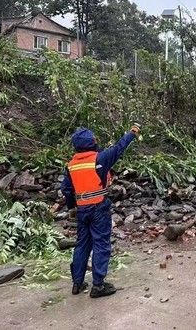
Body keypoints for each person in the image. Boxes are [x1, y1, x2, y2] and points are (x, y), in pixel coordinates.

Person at [61, 124, 140, 298]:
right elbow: (119, 148)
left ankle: (77, 283)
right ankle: (98, 285)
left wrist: (71, 207)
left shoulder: (71, 165)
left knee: (82, 244)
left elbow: (66, 189)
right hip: (98, 208)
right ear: (91, 142)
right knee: (101, 244)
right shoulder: (100, 159)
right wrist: (132, 133)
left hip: (82, 210)